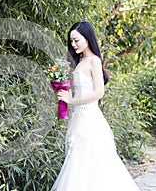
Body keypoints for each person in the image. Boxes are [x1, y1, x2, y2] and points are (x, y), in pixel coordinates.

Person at [51, 21, 140, 191]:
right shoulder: (78, 62)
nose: (73, 44)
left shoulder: (94, 61)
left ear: (87, 38)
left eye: (76, 40)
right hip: (77, 118)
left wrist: (71, 100)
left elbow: (99, 93)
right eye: (71, 41)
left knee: (92, 164)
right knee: (77, 164)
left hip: (90, 120)